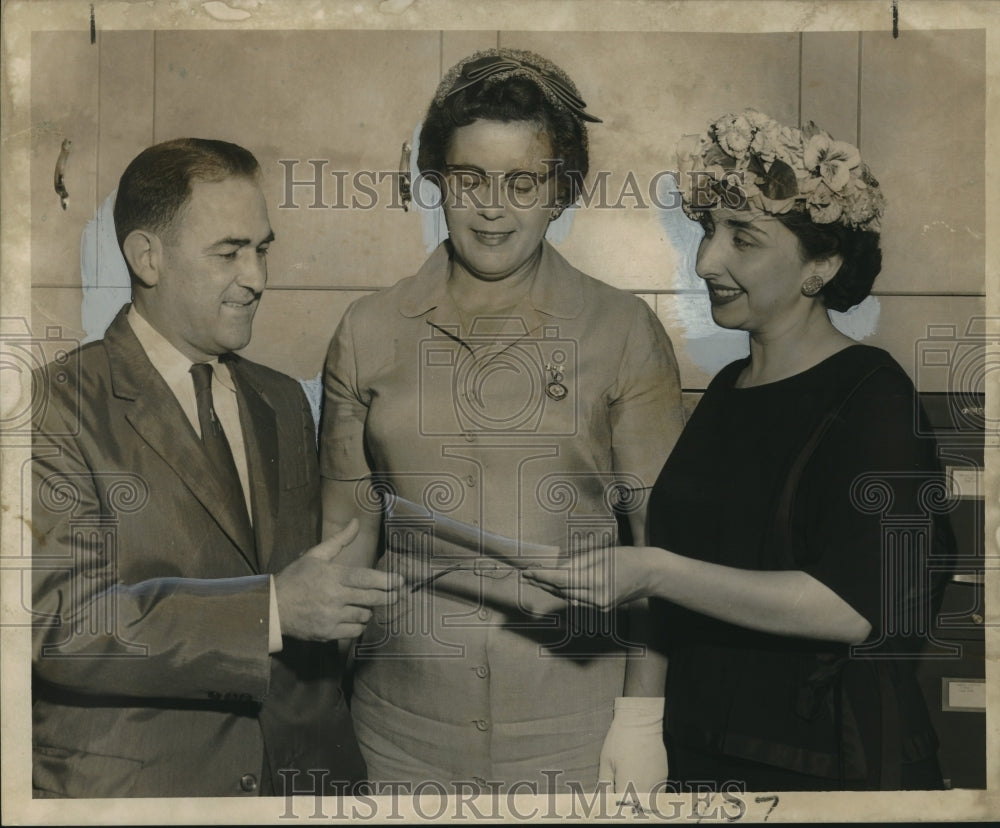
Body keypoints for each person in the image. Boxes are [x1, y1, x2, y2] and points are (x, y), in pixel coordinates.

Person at [524, 109, 953, 790]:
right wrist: (641, 725)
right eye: (707, 231)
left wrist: (654, 571)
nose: (706, 260)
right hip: (706, 753)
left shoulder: (873, 394)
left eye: (743, 238)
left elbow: (853, 607)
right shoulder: (730, 386)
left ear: (823, 264)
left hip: (826, 767)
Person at [320, 48, 685, 792]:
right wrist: (320, 711)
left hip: (575, 732)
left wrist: (642, 721)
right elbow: (342, 552)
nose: (494, 205)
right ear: (437, 182)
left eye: (524, 182)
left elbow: (660, 551)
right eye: (469, 178)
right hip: (397, 732)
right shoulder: (367, 331)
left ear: (561, 193)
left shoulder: (622, 330)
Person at [30, 138, 401, 798]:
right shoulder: (53, 406)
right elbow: (63, 626)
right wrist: (273, 608)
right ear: (148, 257)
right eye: (229, 252)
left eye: (262, 248)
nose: (256, 277)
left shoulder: (283, 399)